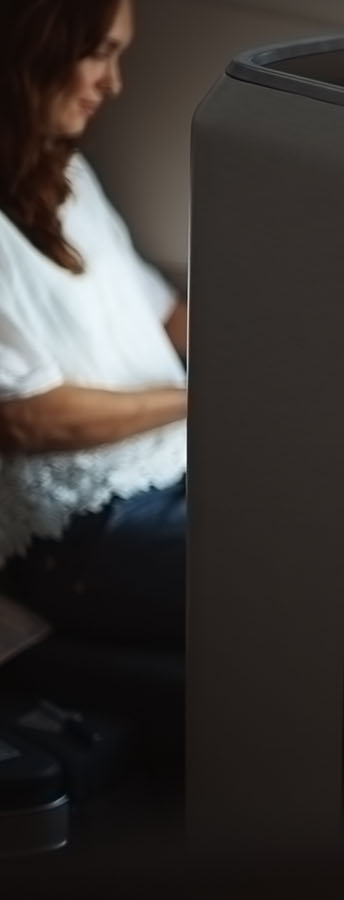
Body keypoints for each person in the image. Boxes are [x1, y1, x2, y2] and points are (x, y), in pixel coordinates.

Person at [0, 0, 188, 652]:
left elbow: (164, 316)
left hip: (172, 467)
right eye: (100, 53)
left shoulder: (69, 176)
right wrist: (196, 402)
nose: (115, 84)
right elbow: (26, 419)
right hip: (81, 526)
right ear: (34, 50)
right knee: (288, 567)